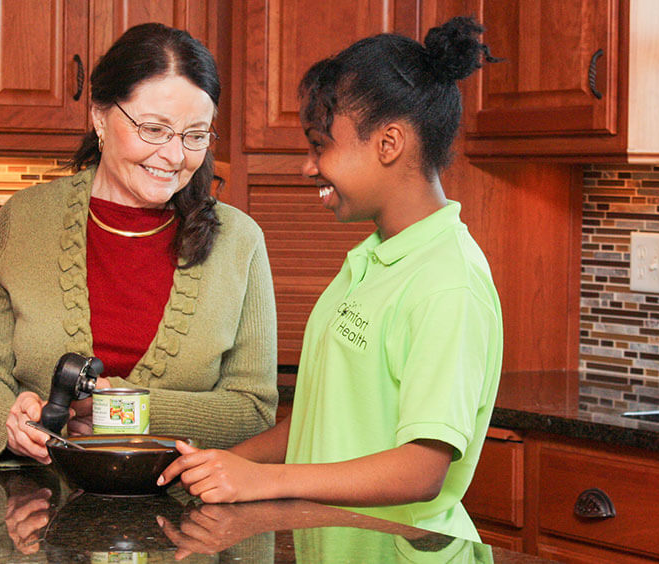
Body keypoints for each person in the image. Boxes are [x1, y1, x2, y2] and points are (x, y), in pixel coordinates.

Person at [158, 16, 503, 542]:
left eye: (321, 145)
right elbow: (324, 420)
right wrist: (220, 463)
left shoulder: (447, 281)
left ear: (389, 143)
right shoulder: (371, 261)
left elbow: (422, 470)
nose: (307, 167)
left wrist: (264, 481)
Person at [0, 23, 278, 467]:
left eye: (195, 135)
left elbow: (254, 412)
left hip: (186, 513)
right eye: (154, 129)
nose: (175, 156)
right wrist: (7, 420)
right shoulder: (23, 220)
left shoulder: (240, 241)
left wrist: (122, 411)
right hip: (31, 507)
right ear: (100, 116)